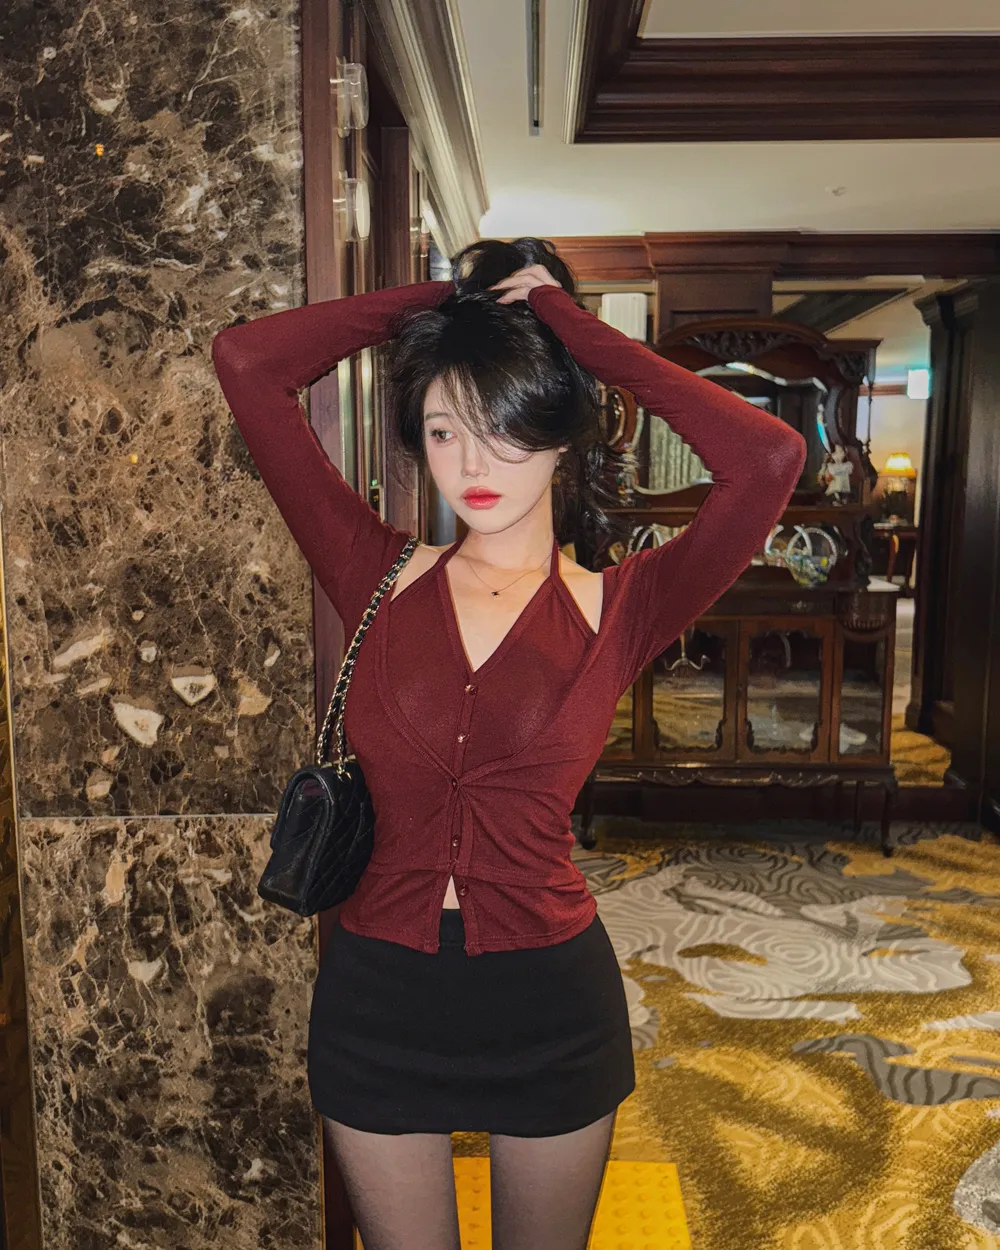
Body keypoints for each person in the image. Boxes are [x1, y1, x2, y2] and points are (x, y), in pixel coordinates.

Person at [211, 237, 806, 1250]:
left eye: (505, 427)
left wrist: (572, 332)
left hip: (549, 1002)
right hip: (378, 997)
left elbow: (768, 459)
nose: (473, 464)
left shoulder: (623, 606)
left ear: (560, 435)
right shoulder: (370, 571)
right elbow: (246, 360)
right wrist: (446, 303)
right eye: (445, 430)